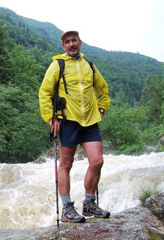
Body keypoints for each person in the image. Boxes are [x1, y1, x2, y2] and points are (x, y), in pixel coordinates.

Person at [39, 30, 111, 223]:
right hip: (67, 121)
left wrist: (102, 110)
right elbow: (44, 92)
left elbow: (102, 89)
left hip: (90, 121)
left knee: (97, 161)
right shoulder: (58, 65)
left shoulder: (90, 66)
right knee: (66, 164)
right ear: (63, 46)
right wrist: (50, 118)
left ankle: (89, 204)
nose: (71, 44)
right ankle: (67, 209)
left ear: (80, 43)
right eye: (67, 42)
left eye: (74, 41)